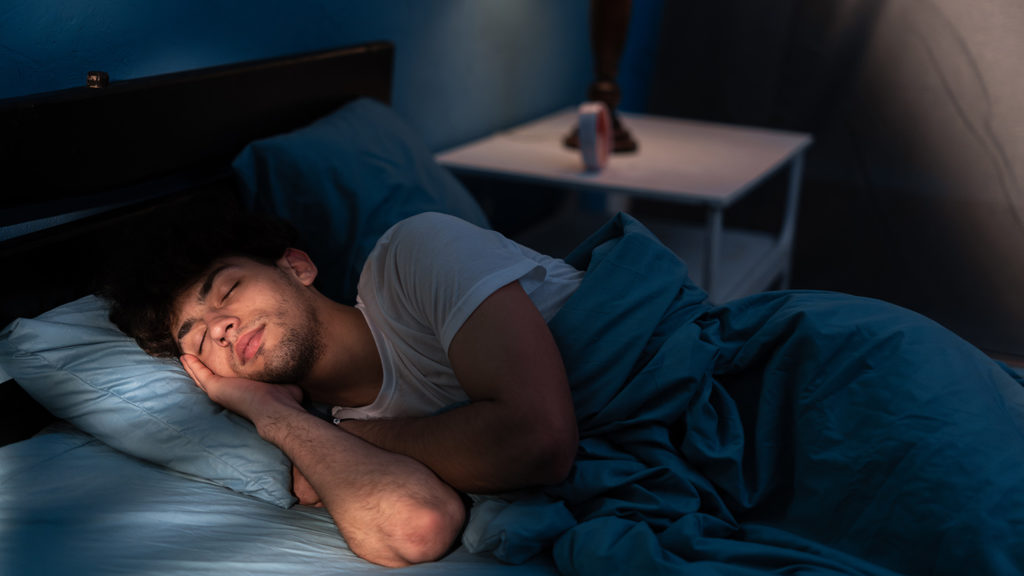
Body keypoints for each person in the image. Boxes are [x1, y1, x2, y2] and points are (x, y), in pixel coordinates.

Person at [104, 208, 583, 567]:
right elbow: (418, 529)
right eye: (201, 337)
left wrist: (353, 437)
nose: (223, 326)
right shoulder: (325, 440)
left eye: (227, 291)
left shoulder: (414, 253)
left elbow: (537, 441)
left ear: (296, 267)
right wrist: (277, 418)